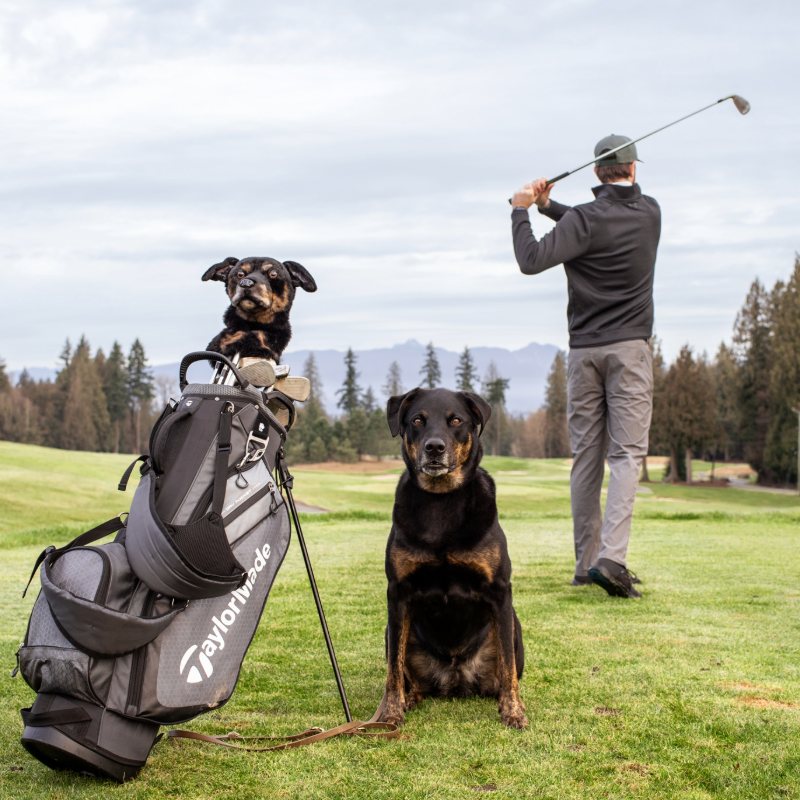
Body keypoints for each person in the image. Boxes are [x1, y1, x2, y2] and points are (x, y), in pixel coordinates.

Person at [510, 136, 661, 599]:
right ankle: (611, 559)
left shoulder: (582, 220)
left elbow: (531, 259)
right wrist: (551, 207)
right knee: (627, 455)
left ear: (596, 172)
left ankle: (586, 566)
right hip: (630, 352)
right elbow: (594, 221)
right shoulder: (651, 212)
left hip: (583, 355)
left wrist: (523, 209)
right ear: (633, 170)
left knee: (587, 460)